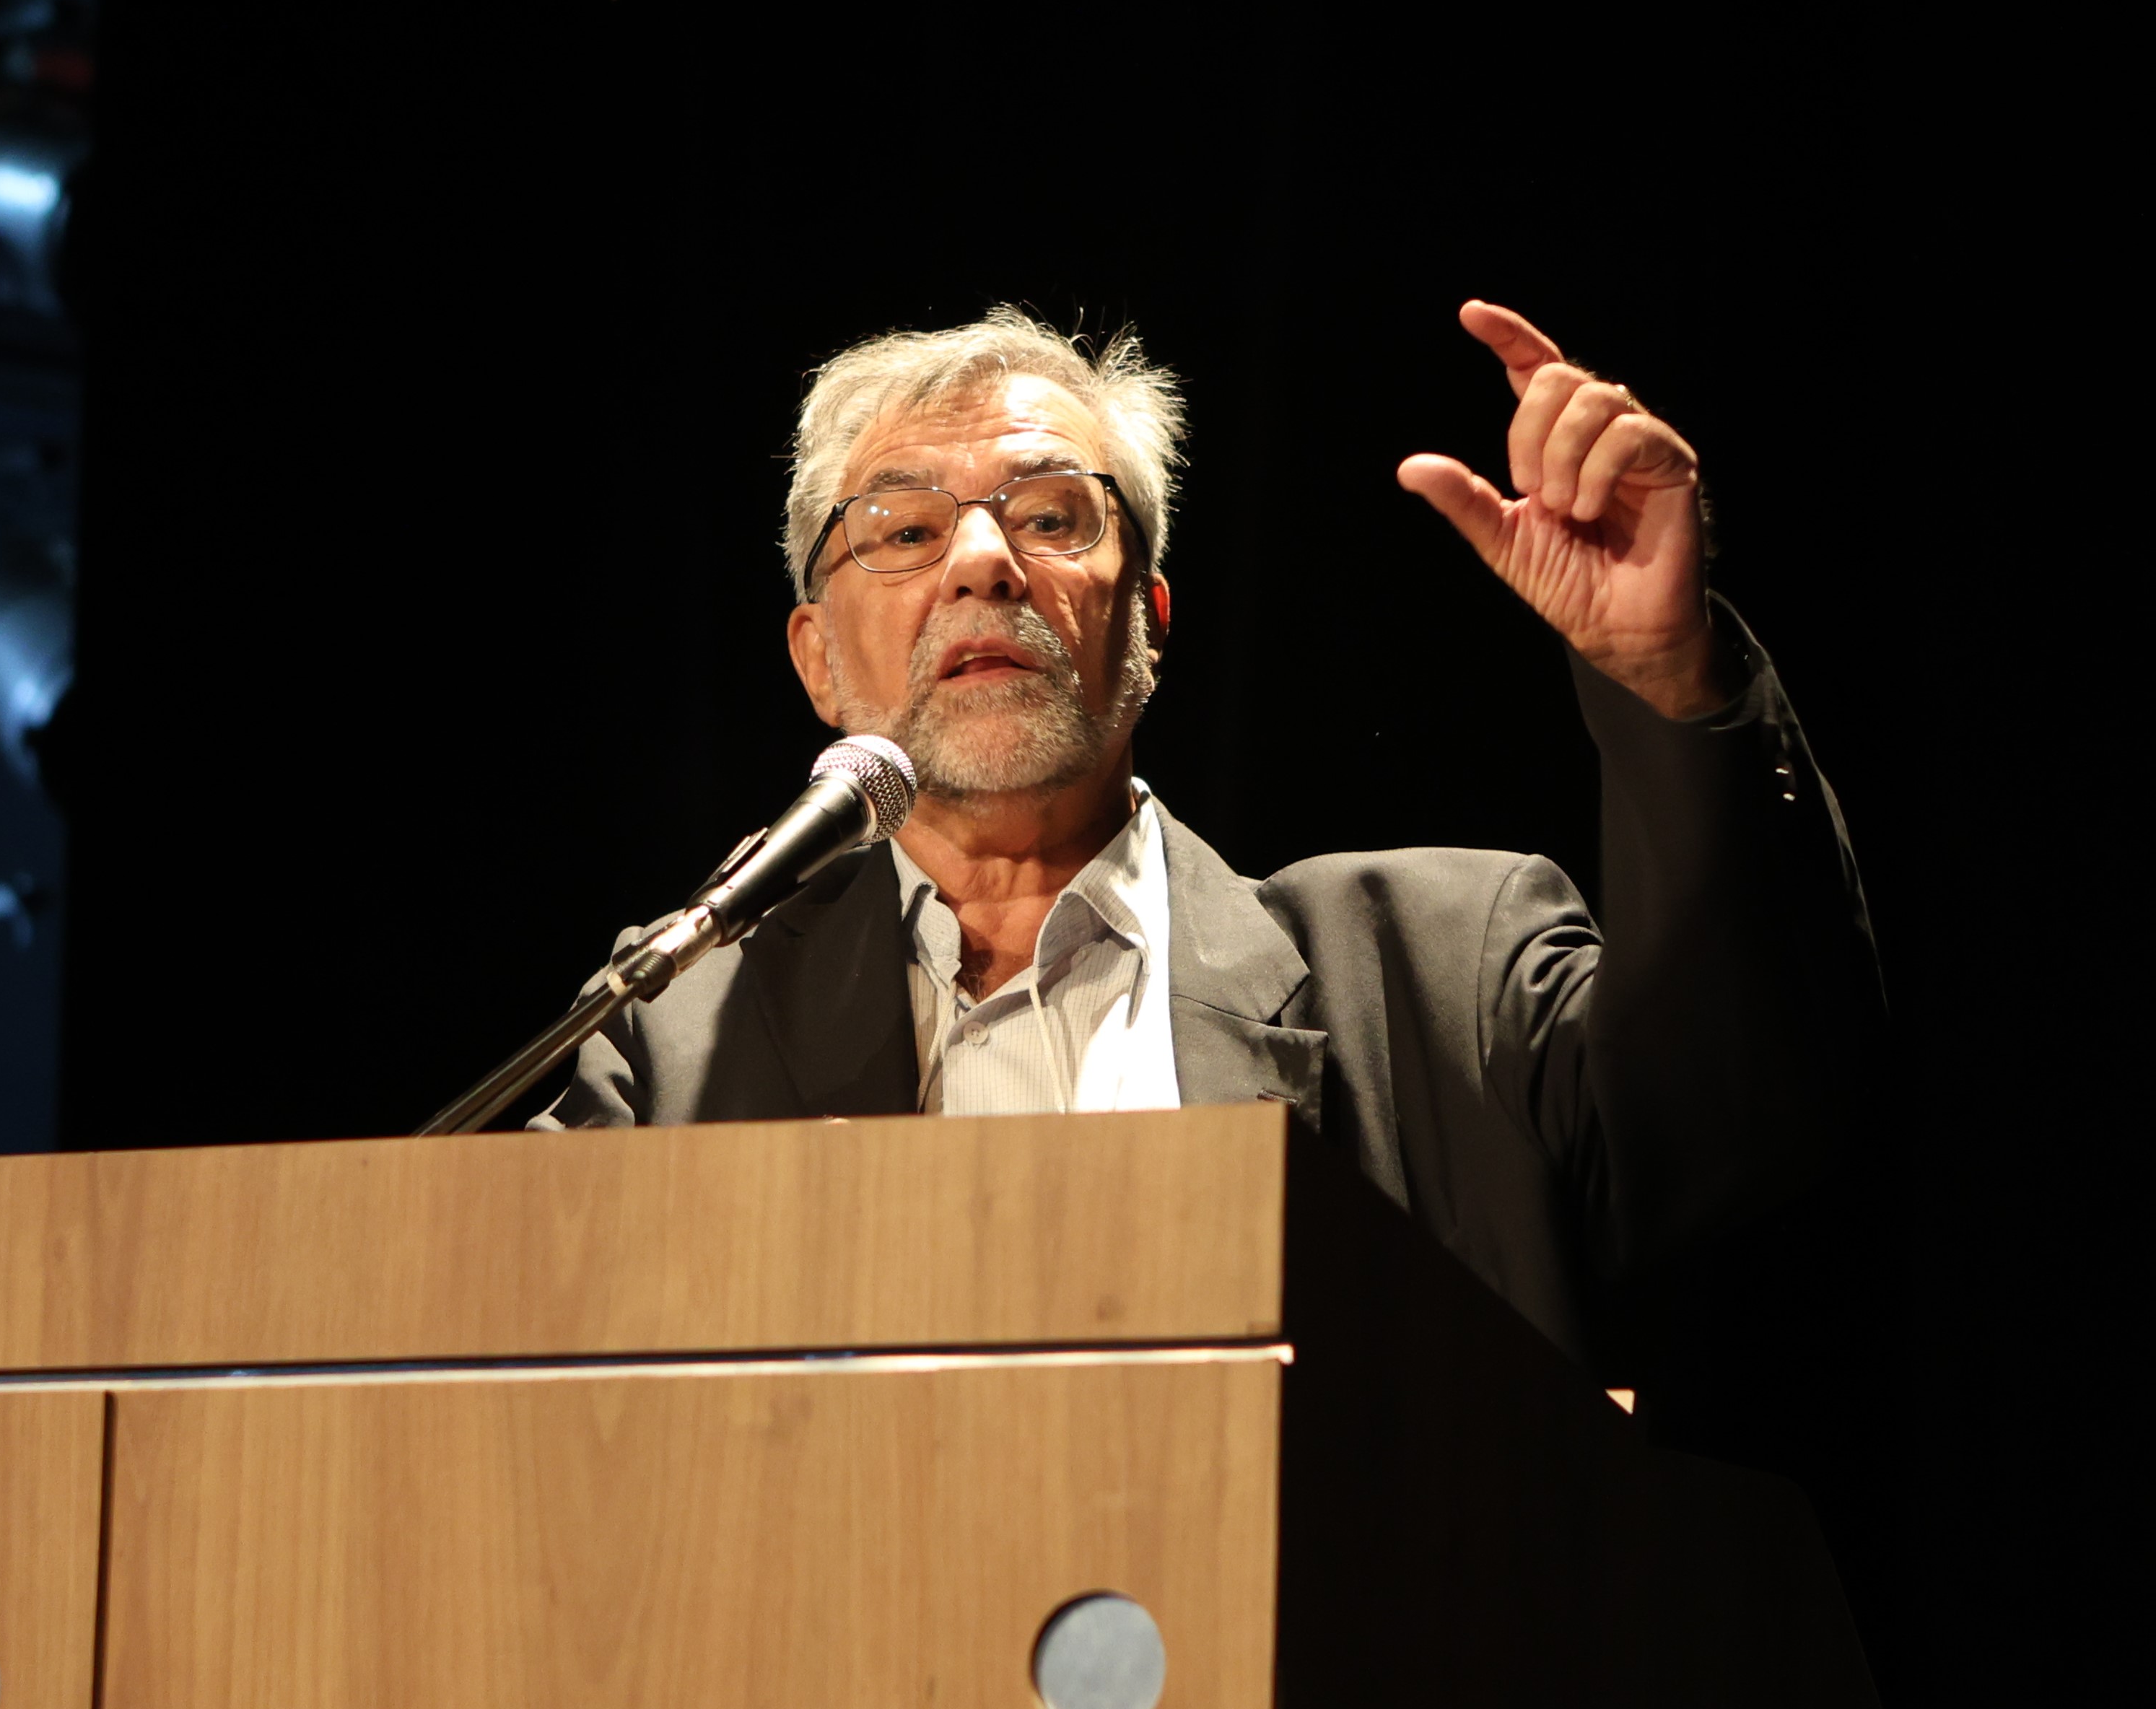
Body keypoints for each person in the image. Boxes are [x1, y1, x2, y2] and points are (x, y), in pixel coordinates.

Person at [538, 302, 1879, 1377]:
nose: (982, 561)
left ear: (1150, 624)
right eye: (902, 528)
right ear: (818, 662)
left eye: (1052, 513)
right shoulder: (677, 1040)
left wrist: (1673, 684)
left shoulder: (1437, 972)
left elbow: (1744, 1126)